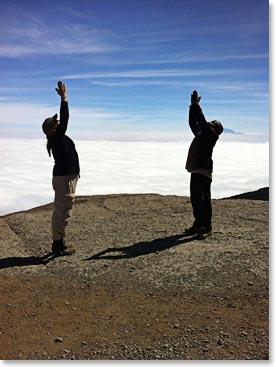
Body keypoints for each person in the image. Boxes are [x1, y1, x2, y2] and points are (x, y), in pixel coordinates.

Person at [42, 81, 80, 255]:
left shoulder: (56, 138)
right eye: (55, 123)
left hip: (66, 177)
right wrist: (64, 98)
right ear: (51, 130)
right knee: (62, 210)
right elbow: (65, 119)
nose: (58, 123)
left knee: (62, 209)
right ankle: (58, 244)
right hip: (64, 179)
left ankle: (59, 241)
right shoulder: (57, 137)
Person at [185, 90, 223, 237]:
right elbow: (192, 123)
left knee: (203, 199)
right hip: (196, 169)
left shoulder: (210, 135)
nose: (209, 122)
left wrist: (196, 106)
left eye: (213, 122)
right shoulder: (202, 134)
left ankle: (206, 226)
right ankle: (198, 223)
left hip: (204, 170)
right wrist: (191, 107)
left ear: (215, 129)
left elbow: (200, 121)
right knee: (195, 198)